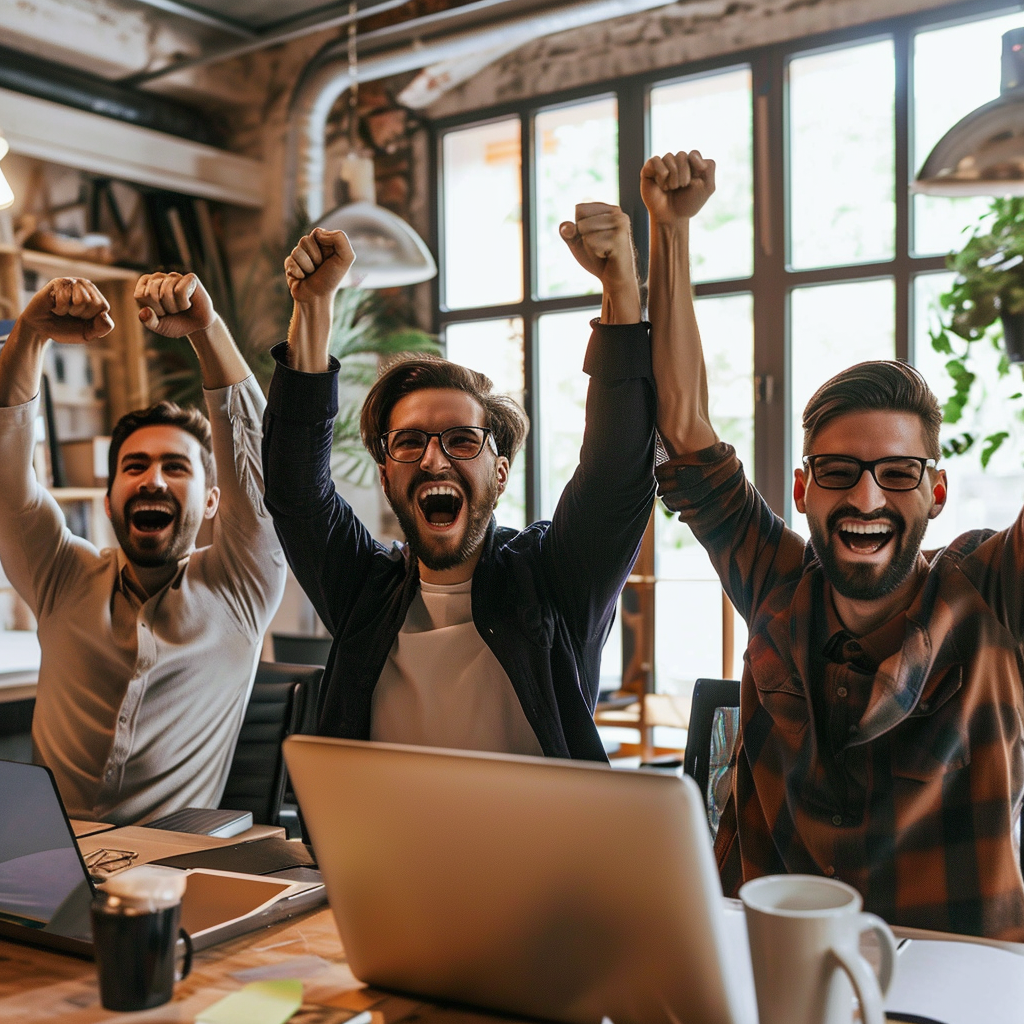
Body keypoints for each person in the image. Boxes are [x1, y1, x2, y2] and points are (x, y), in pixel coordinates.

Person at [645, 148, 1024, 941]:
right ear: (802, 489)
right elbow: (684, 431)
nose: (865, 496)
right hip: (765, 964)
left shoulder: (989, 594)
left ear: (936, 492)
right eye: (840, 471)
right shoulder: (777, 581)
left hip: (952, 979)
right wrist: (670, 232)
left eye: (896, 473)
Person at [261, 209, 656, 760]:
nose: (433, 460)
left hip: (538, 849)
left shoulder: (554, 582)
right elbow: (295, 492)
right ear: (385, 475)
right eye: (408, 442)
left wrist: (618, 287)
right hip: (381, 850)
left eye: (462, 440)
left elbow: (617, 474)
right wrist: (312, 307)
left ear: (499, 473)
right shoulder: (364, 592)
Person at [0, 273, 286, 824]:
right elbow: (8, 475)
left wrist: (206, 328)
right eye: (135, 466)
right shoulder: (60, 575)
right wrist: (30, 333)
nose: (152, 480)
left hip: (170, 875)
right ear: (109, 503)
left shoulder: (241, 589)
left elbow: (255, 469)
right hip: (48, 868)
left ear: (210, 504)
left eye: (176, 468)